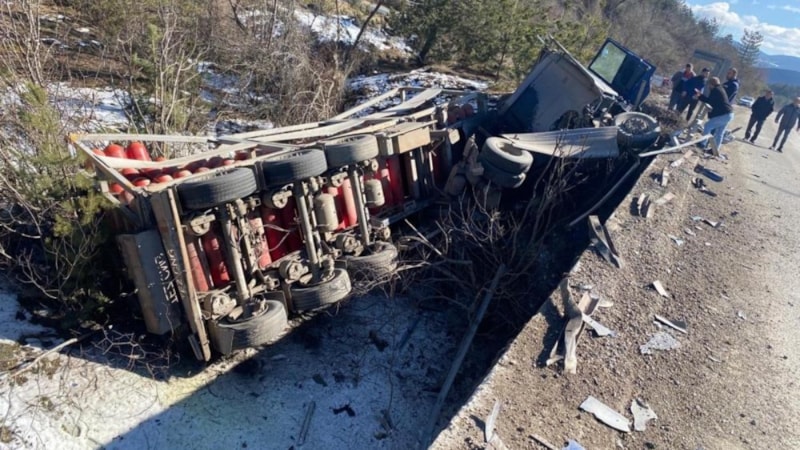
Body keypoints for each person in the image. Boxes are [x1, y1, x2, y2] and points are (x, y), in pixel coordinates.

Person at [694, 76, 733, 151]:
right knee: (719, 133)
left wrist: (700, 96)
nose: (708, 86)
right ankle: (715, 150)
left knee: (707, 126)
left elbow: (709, 101)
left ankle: (702, 143)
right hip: (729, 114)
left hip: (724, 114)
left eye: (709, 85)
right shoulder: (720, 89)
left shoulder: (715, 90)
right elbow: (713, 102)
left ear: (711, 84)